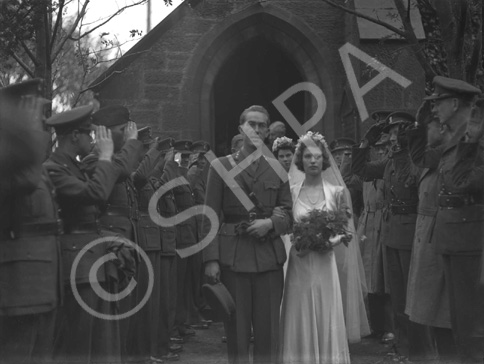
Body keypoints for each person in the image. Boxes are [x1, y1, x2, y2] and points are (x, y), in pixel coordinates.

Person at [44, 105, 136, 364]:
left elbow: (107, 182)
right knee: (80, 344)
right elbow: (95, 194)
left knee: (101, 342)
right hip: (77, 264)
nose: (94, 140)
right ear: (74, 136)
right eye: (88, 134)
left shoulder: (72, 167)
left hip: (91, 260)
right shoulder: (53, 168)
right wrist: (106, 157)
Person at [203, 105, 293, 364]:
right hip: (234, 259)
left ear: (267, 133)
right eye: (251, 124)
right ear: (240, 129)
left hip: (268, 258)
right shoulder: (220, 167)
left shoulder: (277, 169)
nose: (256, 129)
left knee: (268, 334)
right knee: (237, 334)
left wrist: (271, 224)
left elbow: (288, 212)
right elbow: (209, 216)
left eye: (262, 125)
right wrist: (211, 259)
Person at [407, 76, 484, 363]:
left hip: (471, 239)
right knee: (458, 323)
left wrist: (467, 143)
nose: (434, 108)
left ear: (454, 103)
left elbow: (460, 184)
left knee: (471, 327)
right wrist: (418, 127)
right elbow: (423, 159)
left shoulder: (473, 137)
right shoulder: (455, 137)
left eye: (438, 102)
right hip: (452, 238)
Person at [352, 111, 435, 360]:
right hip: (390, 234)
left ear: (409, 132)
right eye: (389, 133)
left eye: (396, 131)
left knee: (413, 299)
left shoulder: (416, 160)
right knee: (398, 299)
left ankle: (421, 352)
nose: (391, 137)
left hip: (411, 235)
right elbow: (362, 171)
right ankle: (403, 347)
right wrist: (366, 143)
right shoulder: (390, 161)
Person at [0, 79, 61, 364]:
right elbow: (24, 176)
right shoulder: (13, 162)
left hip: (35, 282)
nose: (40, 122)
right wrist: (24, 127)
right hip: (16, 285)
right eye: (30, 111)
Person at [279, 131, 350, 364]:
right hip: (298, 263)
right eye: (307, 156)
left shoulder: (337, 193)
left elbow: (345, 231)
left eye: (317, 157)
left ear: (324, 160)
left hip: (324, 265)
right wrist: (300, 239)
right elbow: (285, 225)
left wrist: (328, 242)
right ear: (300, 160)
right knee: (297, 314)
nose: (312, 161)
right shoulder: (291, 192)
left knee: (325, 313)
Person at [404, 106, 456, 361]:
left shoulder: (451, 158)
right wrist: (418, 124)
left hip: (443, 240)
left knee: (444, 313)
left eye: (431, 125)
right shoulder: (432, 159)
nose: (426, 131)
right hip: (427, 240)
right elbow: (416, 156)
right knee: (430, 312)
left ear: (445, 128)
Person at [357, 131, 395, 344]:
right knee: (369, 277)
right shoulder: (368, 170)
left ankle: (390, 327)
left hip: (383, 222)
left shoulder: (389, 167)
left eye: (384, 147)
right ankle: (375, 325)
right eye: (377, 147)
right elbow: (349, 174)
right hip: (366, 224)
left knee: (384, 276)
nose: (380, 150)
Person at [150, 137, 183, 361]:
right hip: (159, 242)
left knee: (168, 298)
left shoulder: (161, 177)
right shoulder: (153, 179)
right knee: (160, 301)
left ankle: (165, 340)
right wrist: (169, 163)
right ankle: (160, 344)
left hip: (168, 241)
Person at [272, 136, 295, 277]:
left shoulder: (303, 177)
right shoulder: (274, 177)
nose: (286, 159)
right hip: (281, 226)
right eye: (281, 156)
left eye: (288, 155)